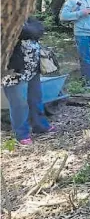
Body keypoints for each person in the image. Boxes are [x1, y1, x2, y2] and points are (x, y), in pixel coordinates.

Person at [3, 17, 55, 145]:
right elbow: (13, 31)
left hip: (32, 67)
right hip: (12, 69)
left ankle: (40, 125)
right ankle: (22, 134)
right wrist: (27, 31)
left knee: (35, 97)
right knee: (19, 103)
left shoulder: (25, 15)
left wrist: (26, 30)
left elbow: (39, 28)